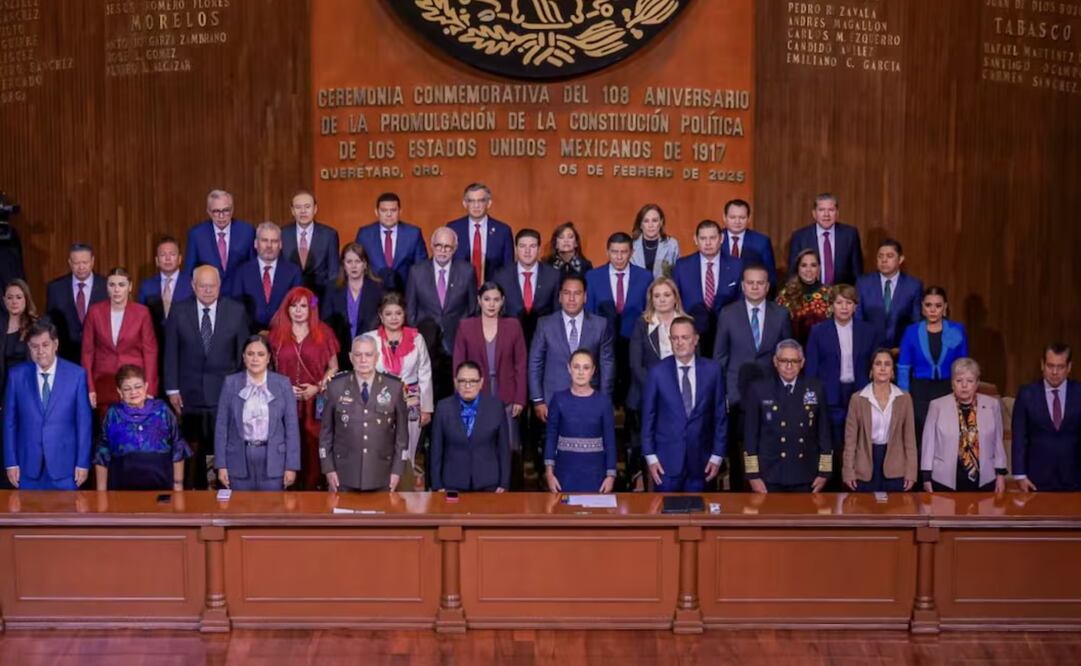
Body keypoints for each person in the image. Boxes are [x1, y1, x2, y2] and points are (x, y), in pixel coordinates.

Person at [163, 266, 251, 489]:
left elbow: (243, 354)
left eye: (212, 285)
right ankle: (195, 492)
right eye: (203, 286)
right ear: (193, 286)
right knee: (193, 448)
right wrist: (172, 389)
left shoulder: (236, 311)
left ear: (219, 286)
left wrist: (241, 390)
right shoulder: (179, 310)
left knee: (221, 445)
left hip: (225, 393)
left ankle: (221, 491)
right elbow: (171, 351)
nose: (208, 290)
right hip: (188, 395)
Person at [713, 264, 792, 489]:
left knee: (768, 447)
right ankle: (739, 498)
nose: (755, 287)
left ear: (767, 287)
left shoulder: (781, 314)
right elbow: (720, 358)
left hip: (771, 395)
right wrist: (724, 394)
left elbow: (788, 356)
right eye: (750, 283)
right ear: (743, 286)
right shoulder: (728, 314)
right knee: (739, 450)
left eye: (760, 283)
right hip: (737, 395)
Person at [3, 320, 92, 490]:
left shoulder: (77, 375)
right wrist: (11, 462)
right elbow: (9, 423)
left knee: (66, 515)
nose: (40, 351)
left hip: (66, 468)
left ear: (55, 344)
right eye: (34, 346)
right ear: (29, 347)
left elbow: (84, 423)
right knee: (27, 515)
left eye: (45, 345)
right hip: (27, 467)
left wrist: (82, 463)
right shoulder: (16, 376)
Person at [640, 316, 727, 491]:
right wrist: (650, 456)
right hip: (666, 463)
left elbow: (720, 416)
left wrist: (717, 455)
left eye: (685, 337)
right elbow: (648, 417)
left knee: (700, 516)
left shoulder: (713, 370)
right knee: (666, 516)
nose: (679, 343)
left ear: (695, 339)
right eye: (675, 338)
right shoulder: (657, 372)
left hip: (702, 463)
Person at [452, 282, 527, 483]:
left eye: (496, 300)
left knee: (510, 446)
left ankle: (509, 490)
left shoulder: (513, 326)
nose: (491, 304)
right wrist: (461, 395)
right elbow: (458, 364)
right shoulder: (466, 326)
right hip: (475, 396)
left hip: (508, 396)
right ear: (479, 301)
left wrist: (520, 397)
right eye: (487, 299)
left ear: (502, 301)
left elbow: (521, 364)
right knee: (479, 445)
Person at [268, 287, 340, 490]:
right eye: (294, 306)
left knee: (313, 450)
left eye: (303, 306)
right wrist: (283, 388)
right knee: (286, 447)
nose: (298, 311)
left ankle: (313, 493)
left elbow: (333, 367)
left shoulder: (324, 333)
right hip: (284, 404)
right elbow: (268, 369)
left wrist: (317, 388)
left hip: (315, 404)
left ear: (311, 309)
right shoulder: (276, 334)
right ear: (287, 308)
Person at [805, 284, 879, 475]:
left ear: (855, 306)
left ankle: (856, 487)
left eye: (849, 302)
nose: (844, 307)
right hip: (830, 398)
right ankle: (830, 488)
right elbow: (811, 370)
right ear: (831, 306)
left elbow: (876, 366)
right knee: (830, 447)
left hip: (860, 395)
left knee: (858, 446)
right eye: (839, 302)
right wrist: (812, 401)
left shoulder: (868, 331)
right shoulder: (818, 331)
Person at [319, 335, 409, 492]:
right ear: (350, 357)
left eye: (368, 355)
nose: (363, 360)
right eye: (358, 355)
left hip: (382, 474)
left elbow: (402, 437)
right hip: (344, 475)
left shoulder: (394, 387)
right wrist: (328, 469)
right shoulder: (335, 387)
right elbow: (326, 434)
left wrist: (397, 470)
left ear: (377, 357)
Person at [743, 339, 832, 493]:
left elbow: (824, 433)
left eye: (794, 361)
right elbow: (751, 436)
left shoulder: (815, 388)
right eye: (784, 360)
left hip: (806, 475)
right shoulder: (759, 389)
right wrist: (753, 475)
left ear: (802, 362)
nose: (789, 366)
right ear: (775, 362)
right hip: (769, 475)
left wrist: (824, 472)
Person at [364, 292, 433, 487]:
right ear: (380, 316)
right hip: (378, 401)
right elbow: (362, 372)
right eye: (389, 314)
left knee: (407, 451)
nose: (393, 318)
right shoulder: (370, 339)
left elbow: (425, 372)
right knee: (380, 448)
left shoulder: (416, 338)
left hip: (410, 401)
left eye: (398, 313)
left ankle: (405, 494)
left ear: (404, 315)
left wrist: (426, 407)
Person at [215, 335, 301, 491]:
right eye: (250, 354)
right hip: (238, 460)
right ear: (243, 357)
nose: (255, 359)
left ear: (268, 358)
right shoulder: (230, 383)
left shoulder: (282, 384)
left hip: (275, 462)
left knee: (272, 511)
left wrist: (291, 466)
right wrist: (221, 465)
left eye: (260, 354)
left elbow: (292, 429)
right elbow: (221, 427)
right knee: (239, 510)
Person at [628, 277, 688, 490]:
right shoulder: (642, 324)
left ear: (675, 298)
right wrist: (660, 392)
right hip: (648, 397)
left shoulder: (686, 323)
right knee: (649, 448)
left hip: (683, 399)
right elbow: (636, 364)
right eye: (657, 296)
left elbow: (694, 362)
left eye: (666, 295)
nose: (662, 300)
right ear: (651, 299)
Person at [529, 274, 615, 418]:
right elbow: (535, 363)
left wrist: (604, 400)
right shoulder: (545, 324)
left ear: (585, 297)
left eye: (577, 293)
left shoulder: (600, 325)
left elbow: (607, 365)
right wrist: (538, 400)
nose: (571, 298)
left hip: (590, 400)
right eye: (567, 293)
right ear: (560, 297)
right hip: (552, 401)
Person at [405, 226, 478, 395]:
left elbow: (472, 308)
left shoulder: (467, 271)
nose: (442, 251)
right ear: (431, 245)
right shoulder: (417, 272)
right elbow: (411, 310)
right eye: (439, 246)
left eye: (448, 247)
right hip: (426, 344)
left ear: (455, 248)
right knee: (427, 394)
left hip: (456, 342)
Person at [94, 365, 190, 491]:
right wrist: (101, 494)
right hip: (121, 492)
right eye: (127, 389)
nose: (133, 392)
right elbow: (102, 453)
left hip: (161, 488)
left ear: (146, 387)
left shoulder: (162, 410)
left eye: (138, 387)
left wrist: (178, 485)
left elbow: (178, 447)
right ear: (119, 392)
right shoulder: (113, 414)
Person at [585, 231, 652, 413]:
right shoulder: (593, 276)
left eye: (623, 252)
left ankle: (632, 430)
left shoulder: (645, 277)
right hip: (604, 343)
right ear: (607, 252)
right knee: (606, 386)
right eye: (615, 252)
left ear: (631, 253)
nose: (619, 257)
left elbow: (649, 313)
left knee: (632, 388)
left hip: (634, 341)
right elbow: (589, 312)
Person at [921, 358, 1007, 493]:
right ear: (952, 384)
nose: (964, 385)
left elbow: (998, 442)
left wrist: (1000, 474)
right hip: (945, 480)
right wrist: (926, 477)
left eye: (970, 381)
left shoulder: (992, 405)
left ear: (977, 383)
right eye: (959, 381)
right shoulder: (937, 406)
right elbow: (928, 443)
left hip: (984, 479)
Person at [81, 268, 158, 416]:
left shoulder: (142, 313)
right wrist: (89, 386)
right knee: (107, 431)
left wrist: (150, 388)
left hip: (134, 385)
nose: (116, 290)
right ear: (107, 287)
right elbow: (87, 352)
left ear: (130, 287)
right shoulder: (94, 312)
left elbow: (150, 352)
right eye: (112, 285)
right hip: (104, 382)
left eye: (121, 285)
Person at [897, 286, 968, 441]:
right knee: (921, 437)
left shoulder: (957, 329)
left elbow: (963, 365)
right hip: (919, 392)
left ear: (945, 307)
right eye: (928, 305)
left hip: (947, 390)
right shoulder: (911, 331)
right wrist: (904, 396)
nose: (933, 310)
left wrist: (962, 391)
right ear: (922, 307)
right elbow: (903, 367)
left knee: (945, 436)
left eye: (938, 306)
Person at [429, 361, 511, 492]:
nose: (468, 386)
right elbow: (436, 449)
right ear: (455, 382)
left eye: (473, 381)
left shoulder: (496, 407)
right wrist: (437, 485)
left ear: (481, 382)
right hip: (452, 483)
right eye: (462, 381)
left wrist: (504, 483)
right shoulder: (443, 407)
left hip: (489, 483)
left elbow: (504, 448)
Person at [842, 349, 917, 492]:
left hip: (896, 466)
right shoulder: (857, 399)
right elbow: (850, 441)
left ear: (892, 371)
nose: (882, 368)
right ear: (871, 370)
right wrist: (848, 472)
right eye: (878, 364)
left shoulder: (904, 398)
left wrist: (911, 472)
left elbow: (910, 440)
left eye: (887, 364)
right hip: (864, 466)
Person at [543, 349, 617, 494]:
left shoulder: (604, 402)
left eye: (586, 367)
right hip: (564, 474)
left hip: (596, 475)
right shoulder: (558, 400)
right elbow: (551, 438)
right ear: (569, 369)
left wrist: (610, 476)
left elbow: (610, 441)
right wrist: (549, 474)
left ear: (593, 370)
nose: (581, 372)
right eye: (576, 367)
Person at [1012, 343, 1081, 491]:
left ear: (1069, 367)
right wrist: (1019, 475)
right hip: (1036, 478)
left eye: (1060, 367)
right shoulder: (1026, 394)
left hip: (1074, 478)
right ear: (1042, 365)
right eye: (1050, 366)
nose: (1054, 372)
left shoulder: (1079, 393)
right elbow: (1019, 437)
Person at [672, 219, 741, 358]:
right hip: (692, 334)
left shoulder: (736, 265)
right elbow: (675, 300)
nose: (708, 243)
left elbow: (741, 300)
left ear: (721, 239)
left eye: (712, 238)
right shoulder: (682, 266)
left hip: (727, 333)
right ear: (696, 240)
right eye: (703, 238)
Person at [492, 228, 560, 347]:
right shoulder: (501, 276)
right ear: (516, 249)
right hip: (508, 341)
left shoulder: (553, 276)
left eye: (532, 246)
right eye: (522, 246)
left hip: (544, 341)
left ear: (539, 249)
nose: (527, 251)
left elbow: (557, 312)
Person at [322, 243, 385, 372]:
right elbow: (325, 323)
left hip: (369, 354)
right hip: (340, 354)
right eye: (349, 261)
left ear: (365, 264)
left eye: (358, 261)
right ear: (343, 265)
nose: (353, 266)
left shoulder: (377, 289)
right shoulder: (332, 288)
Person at [231, 222, 303, 332]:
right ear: (255, 244)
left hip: (284, 335)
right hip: (250, 336)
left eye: (274, 241)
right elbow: (236, 307)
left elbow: (296, 304)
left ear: (280, 245)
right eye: (264, 240)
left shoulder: (293, 272)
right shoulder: (242, 272)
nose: (269, 245)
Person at [182, 189, 256, 295]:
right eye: (216, 211)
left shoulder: (247, 231)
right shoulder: (197, 235)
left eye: (226, 210)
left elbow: (253, 268)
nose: (221, 216)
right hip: (208, 297)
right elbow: (189, 273)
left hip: (240, 298)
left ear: (232, 210)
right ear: (208, 211)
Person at [855, 239, 923, 349]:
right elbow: (858, 319)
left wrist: (905, 348)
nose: (884, 260)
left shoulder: (913, 286)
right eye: (880, 256)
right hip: (869, 350)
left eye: (890, 256)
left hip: (902, 349)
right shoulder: (863, 283)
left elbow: (916, 322)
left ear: (900, 259)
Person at [44, 243, 107, 361]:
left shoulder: (106, 286)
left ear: (92, 261)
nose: (81, 267)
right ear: (70, 263)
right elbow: (49, 324)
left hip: (100, 356)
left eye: (85, 262)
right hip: (65, 357)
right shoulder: (55, 288)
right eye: (77, 263)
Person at [354, 192, 428, 291]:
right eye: (384, 210)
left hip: (405, 294)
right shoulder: (364, 234)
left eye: (393, 210)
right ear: (376, 212)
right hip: (373, 293)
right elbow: (357, 266)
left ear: (400, 211)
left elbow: (422, 268)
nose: (389, 214)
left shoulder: (413, 234)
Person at [787, 193, 864, 286]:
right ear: (814, 213)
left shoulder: (850, 235)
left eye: (831, 210)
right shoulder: (800, 237)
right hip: (809, 295)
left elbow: (857, 272)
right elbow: (793, 273)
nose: (826, 214)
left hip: (841, 297)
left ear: (837, 213)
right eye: (821, 210)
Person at [448, 183, 514, 287]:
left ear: (489, 203)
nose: (476, 205)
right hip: (459, 293)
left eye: (481, 201)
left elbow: (508, 268)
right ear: (465, 204)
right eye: (471, 201)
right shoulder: (453, 228)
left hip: (492, 295)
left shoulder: (503, 231)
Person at [281, 190, 341, 298]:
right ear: (292, 211)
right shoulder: (282, 234)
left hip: (320, 298)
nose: (303, 211)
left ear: (315, 209)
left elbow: (333, 273)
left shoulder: (329, 235)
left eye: (307, 207)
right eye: (298, 207)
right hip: (289, 298)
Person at [138, 237, 193, 346]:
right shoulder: (146, 285)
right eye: (163, 255)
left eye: (172, 254)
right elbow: (141, 318)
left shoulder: (192, 284)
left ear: (180, 259)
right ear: (157, 261)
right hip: (155, 343)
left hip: (185, 344)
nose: (168, 259)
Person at [777, 248, 832, 345]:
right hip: (793, 352)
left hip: (824, 348)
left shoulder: (830, 293)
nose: (808, 270)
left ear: (819, 268)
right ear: (797, 268)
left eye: (813, 265)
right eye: (804, 265)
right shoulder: (786, 295)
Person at [719, 199, 778, 291]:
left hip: (750, 297)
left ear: (749, 218)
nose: (737, 221)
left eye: (742, 217)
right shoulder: (715, 239)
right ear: (724, 217)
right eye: (732, 217)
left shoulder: (761, 241)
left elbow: (770, 276)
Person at [1, 279, 37, 407]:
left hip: (28, 388)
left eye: (18, 297)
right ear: (4, 300)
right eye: (10, 298)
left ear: (26, 299)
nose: (14, 302)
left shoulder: (36, 327)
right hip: (4, 389)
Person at [629, 203, 681, 278]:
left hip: (663, 289)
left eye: (654, 220)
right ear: (640, 224)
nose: (650, 225)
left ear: (661, 222)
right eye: (646, 221)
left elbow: (678, 275)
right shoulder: (630, 245)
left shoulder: (672, 244)